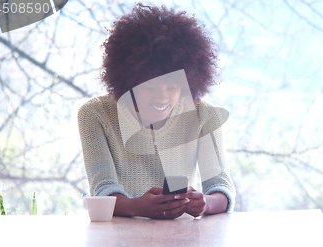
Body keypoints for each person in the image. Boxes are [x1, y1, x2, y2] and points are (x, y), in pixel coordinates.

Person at [77, 3, 235, 219]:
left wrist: (205, 203)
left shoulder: (204, 116)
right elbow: (102, 188)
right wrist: (135, 207)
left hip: (185, 239)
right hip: (121, 240)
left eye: (172, 88)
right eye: (149, 87)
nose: (162, 98)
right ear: (129, 83)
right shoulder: (95, 114)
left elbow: (221, 188)